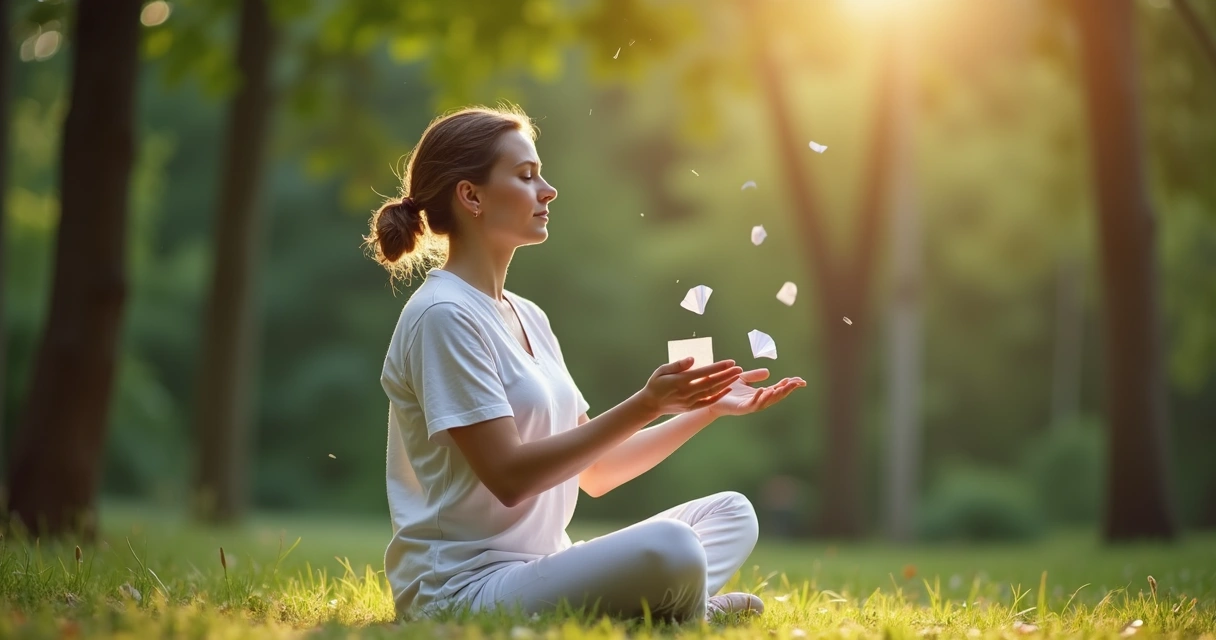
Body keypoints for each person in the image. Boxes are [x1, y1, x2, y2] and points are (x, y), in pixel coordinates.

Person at [364, 104, 806, 623]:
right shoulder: (443, 316)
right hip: (461, 592)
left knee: (732, 512)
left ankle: (666, 610)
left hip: (542, 569)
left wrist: (703, 409)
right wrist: (647, 404)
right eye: (527, 176)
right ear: (471, 195)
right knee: (673, 547)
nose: (547, 190)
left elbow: (596, 472)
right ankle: (690, 616)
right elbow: (508, 477)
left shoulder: (527, 315)